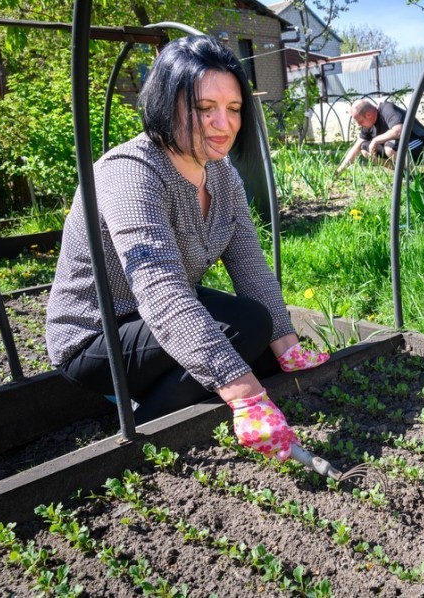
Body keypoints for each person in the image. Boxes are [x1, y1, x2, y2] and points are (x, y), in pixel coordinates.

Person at [45, 35, 327, 460]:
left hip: (154, 318)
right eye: (204, 108)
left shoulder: (221, 174)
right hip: (99, 335)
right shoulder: (130, 173)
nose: (224, 123)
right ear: (166, 103)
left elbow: (250, 263)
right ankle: (140, 433)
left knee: (264, 338)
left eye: (233, 110)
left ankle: (164, 394)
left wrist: (288, 348)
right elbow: (159, 287)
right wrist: (246, 395)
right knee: (246, 330)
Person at [334, 98, 424, 175]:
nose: (359, 125)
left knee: (389, 147)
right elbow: (356, 148)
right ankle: (404, 173)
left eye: (360, 121)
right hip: (401, 148)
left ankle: (416, 177)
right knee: (365, 149)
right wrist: (339, 170)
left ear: (368, 115)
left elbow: (399, 131)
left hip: (421, 145)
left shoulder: (387, 109)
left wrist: (376, 140)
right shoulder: (368, 124)